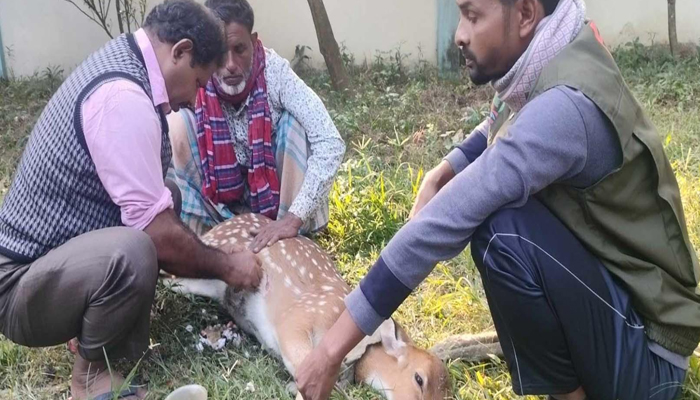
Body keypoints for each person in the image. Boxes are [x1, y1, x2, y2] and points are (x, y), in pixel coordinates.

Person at [295, 0, 699, 399]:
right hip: (624, 305)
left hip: (648, 357)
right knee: (506, 223)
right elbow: (500, 120)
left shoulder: (565, 109)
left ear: (524, 14)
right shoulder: (557, 46)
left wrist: (332, 350)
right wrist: (443, 170)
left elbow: (450, 216)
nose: (460, 34)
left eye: (473, 15)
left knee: (501, 233)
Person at [0, 1, 262, 399]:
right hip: (19, 287)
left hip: (50, 269)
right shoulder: (123, 98)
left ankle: (105, 340)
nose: (195, 100)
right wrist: (228, 266)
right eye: (197, 82)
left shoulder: (127, 62)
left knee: (167, 196)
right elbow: (156, 236)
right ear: (181, 51)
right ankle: (89, 379)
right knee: (139, 246)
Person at [166, 0, 346, 253]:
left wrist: (293, 217)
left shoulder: (276, 73)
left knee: (293, 127)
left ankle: (290, 232)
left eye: (239, 49)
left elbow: (330, 141)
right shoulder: (198, 75)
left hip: (277, 203)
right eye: (220, 53)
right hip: (218, 203)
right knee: (177, 125)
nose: (230, 64)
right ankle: (205, 235)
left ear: (253, 40)